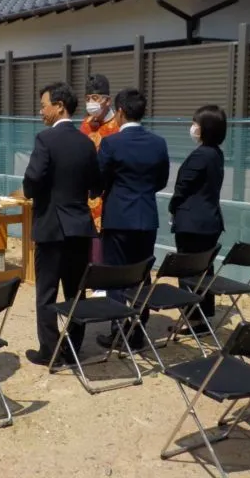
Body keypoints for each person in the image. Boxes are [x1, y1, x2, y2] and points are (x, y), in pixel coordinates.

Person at [23, 82, 102, 366]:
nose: (41, 110)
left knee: (46, 292)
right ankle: (73, 346)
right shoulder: (86, 142)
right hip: (80, 227)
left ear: (59, 106)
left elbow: (33, 177)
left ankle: (50, 351)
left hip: (51, 226)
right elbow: (96, 184)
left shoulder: (45, 140)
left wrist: (31, 192)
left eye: (44, 105)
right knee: (76, 292)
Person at [96, 88, 170, 351]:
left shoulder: (111, 143)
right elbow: (161, 180)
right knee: (142, 275)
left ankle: (119, 330)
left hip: (118, 217)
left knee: (116, 275)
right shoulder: (158, 143)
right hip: (147, 216)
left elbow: (99, 180)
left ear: (120, 112)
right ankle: (138, 330)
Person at [168, 104, 227, 335]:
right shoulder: (216, 154)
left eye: (195, 123)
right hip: (210, 221)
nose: (192, 128)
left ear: (205, 128)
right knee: (204, 270)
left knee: (189, 272)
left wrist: (173, 207)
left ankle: (192, 319)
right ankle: (203, 317)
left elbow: (182, 187)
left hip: (192, 223)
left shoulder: (200, 155)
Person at [79, 74, 119, 266]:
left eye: (95, 98)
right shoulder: (85, 124)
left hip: (109, 195)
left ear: (107, 100)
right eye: (87, 99)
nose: (90, 103)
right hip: (85, 195)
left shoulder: (117, 126)